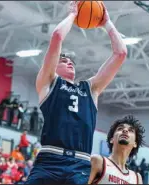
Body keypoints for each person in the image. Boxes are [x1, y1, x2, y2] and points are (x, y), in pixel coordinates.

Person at [25, 1, 127, 184]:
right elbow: (57, 36)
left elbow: (120, 54)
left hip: (79, 163)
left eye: (71, 61)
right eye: (63, 60)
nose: (69, 61)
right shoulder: (48, 83)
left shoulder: (91, 89)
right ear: (53, 66)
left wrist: (107, 23)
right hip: (49, 159)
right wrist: (73, 14)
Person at [88, 115, 149, 184]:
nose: (125, 130)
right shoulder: (98, 161)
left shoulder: (137, 178)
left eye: (131, 130)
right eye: (120, 128)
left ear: (135, 143)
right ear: (112, 139)